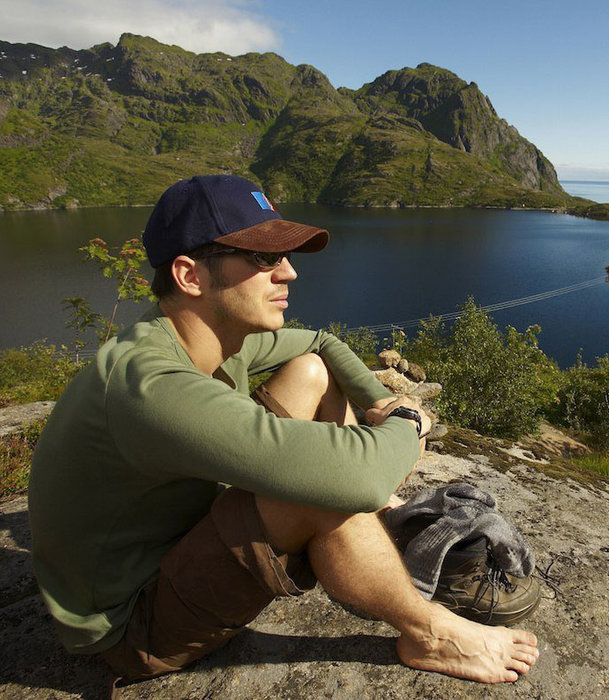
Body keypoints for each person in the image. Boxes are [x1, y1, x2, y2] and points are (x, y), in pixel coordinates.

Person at [28, 174, 539, 685]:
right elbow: (349, 478)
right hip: (133, 624)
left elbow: (321, 343)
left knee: (313, 372)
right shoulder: (154, 385)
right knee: (323, 486)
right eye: (263, 258)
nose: (289, 273)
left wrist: (378, 400)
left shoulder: (200, 334)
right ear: (190, 275)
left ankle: (370, 524)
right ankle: (431, 633)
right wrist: (408, 420)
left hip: (175, 536)